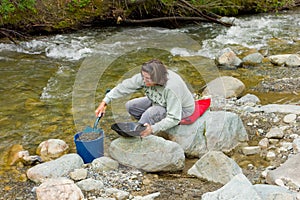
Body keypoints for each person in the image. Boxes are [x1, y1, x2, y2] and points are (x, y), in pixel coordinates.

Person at [95, 59, 195, 137]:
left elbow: (174, 118)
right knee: (131, 106)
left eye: (147, 79)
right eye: (143, 77)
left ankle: (140, 135)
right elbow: (124, 86)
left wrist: (154, 128)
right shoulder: (146, 76)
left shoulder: (172, 87)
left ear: (158, 78)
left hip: (182, 110)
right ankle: (146, 125)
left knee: (151, 113)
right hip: (158, 101)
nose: (143, 80)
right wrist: (105, 101)